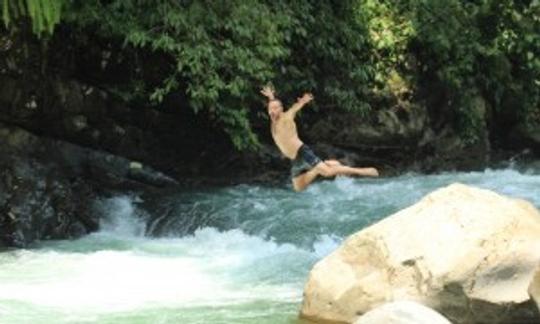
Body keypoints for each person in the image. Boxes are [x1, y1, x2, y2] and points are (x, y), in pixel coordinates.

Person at [260, 85, 379, 192]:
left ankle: (363, 171)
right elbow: (273, 104)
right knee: (298, 187)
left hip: (302, 152)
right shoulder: (273, 120)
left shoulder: (286, 117)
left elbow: (294, 109)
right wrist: (271, 96)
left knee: (327, 172)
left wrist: (303, 102)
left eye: (275, 108)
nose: (272, 111)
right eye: (270, 109)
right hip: (295, 158)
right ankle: (318, 169)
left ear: (281, 109)